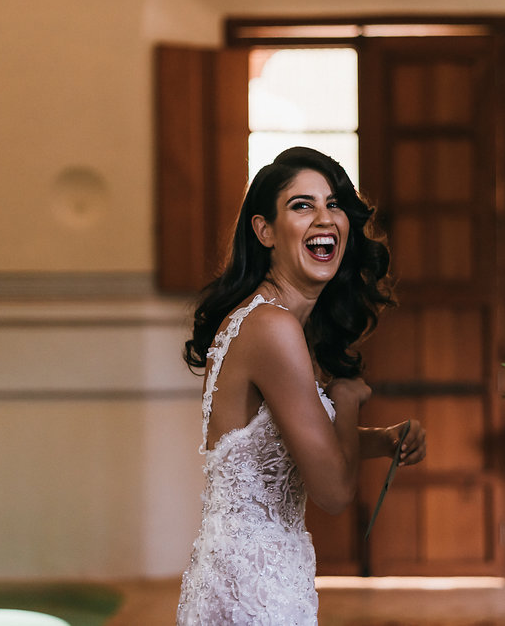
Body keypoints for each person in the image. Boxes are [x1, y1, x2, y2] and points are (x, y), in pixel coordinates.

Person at [176, 147, 426, 624]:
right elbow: (332, 491)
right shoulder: (272, 328)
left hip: (249, 574)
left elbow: (281, 448)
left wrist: (384, 441)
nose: (324, 218)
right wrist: (349, 400)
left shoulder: (277, 322)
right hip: (255, 590)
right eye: (302, 205)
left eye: (333, 204)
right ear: (264, 230)